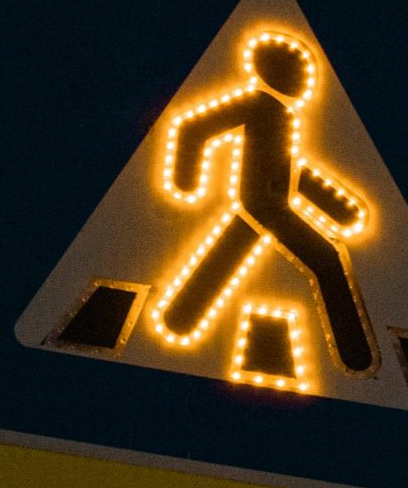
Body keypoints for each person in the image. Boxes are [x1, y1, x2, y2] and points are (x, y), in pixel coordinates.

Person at [150, 29, 378, 377]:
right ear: (277, 73)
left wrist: (339, 207)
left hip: (265, 203)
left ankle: (178, 319)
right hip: (262, 204)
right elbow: (195, 127)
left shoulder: (284, 116)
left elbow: (293, 171)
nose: (306, 81)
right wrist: (187, 178)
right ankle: (355, 356)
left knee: (228, 254)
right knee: (328, 259)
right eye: (299, 72)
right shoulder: (255, 104)